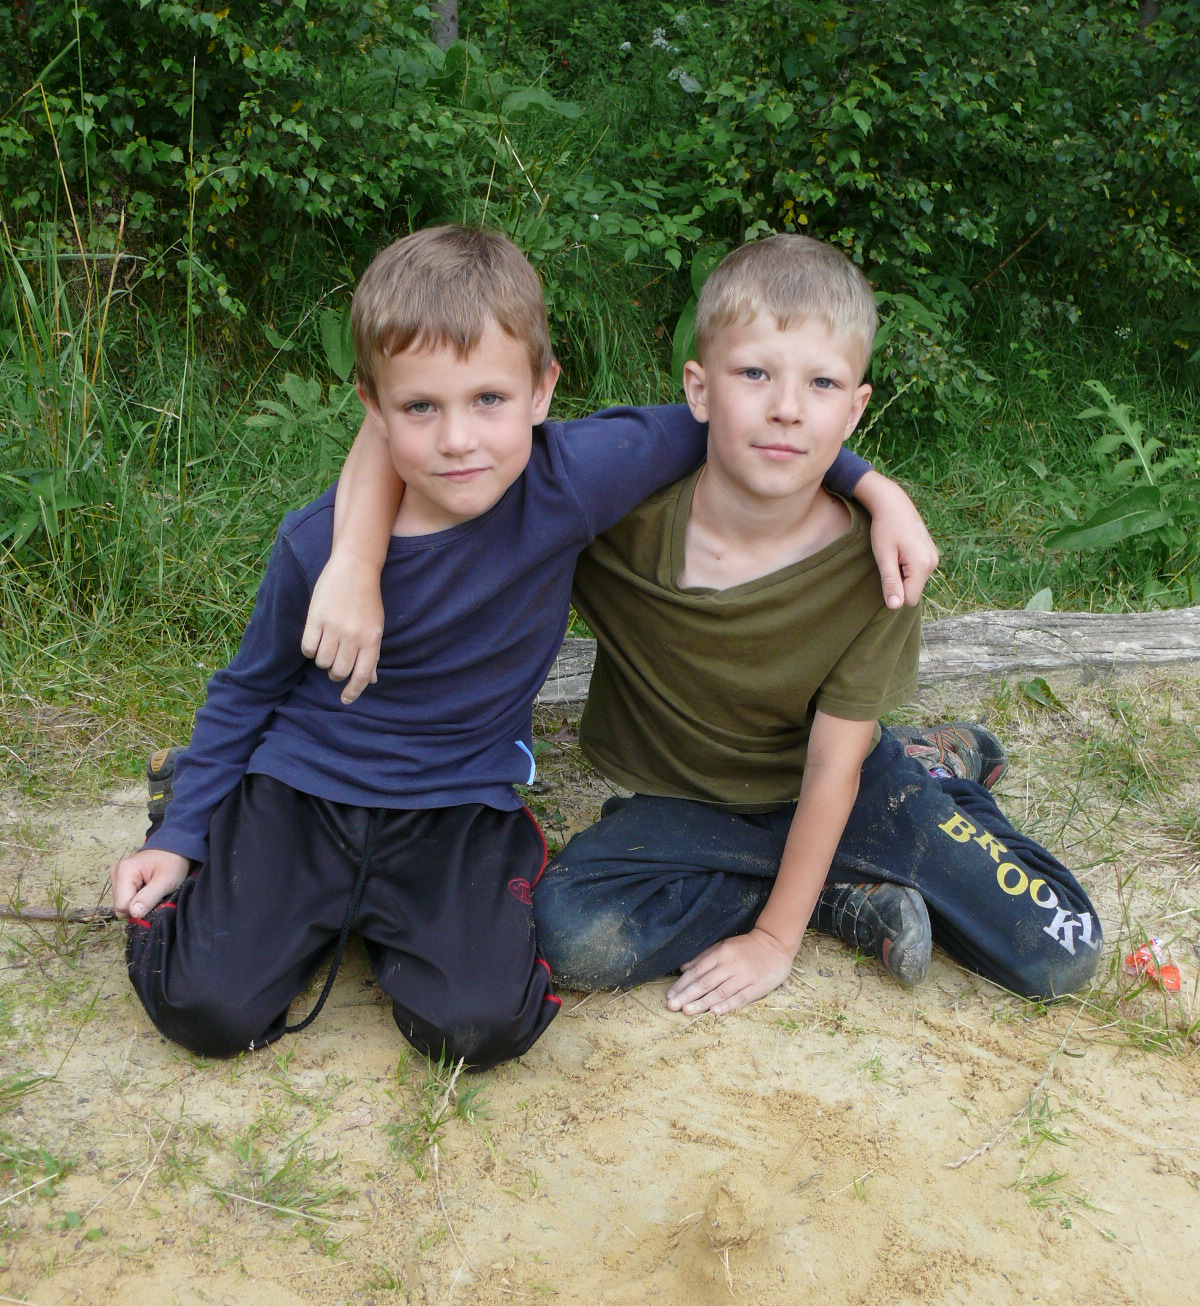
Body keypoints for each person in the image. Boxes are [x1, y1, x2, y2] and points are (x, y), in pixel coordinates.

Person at [110, 226, 936, 1067]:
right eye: (421, 408)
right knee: (208, 1011)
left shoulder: (570, 481)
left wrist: (877, 490)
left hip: (458, 803)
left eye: (488, 401)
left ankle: (388, 918)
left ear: (543, 391)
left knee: (479, 1028)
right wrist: (180, 836)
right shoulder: (317, 547)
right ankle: (200, 815)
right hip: (303, 788)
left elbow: (754, 425)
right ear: (375, 409)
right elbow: (247, 690)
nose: (458, 439)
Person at [531, 235, 1103, 1013]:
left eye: (822, 382)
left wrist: (775, 941)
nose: (787, 407)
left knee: (1060, 949)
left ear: (855, 408)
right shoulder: (618, 517)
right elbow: (484, 472)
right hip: (689, 806)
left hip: (846, 784)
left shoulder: (879, 563)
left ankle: (933, 774)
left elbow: (834, 769)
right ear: (699, 388)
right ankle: (837, 894)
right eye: (754, 373)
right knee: (570, 934)